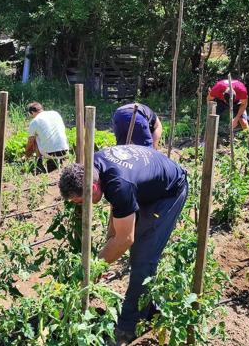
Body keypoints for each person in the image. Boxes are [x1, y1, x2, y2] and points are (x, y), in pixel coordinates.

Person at [58, 145, 188, 345]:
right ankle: (150, 304)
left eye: (79, 201)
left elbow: (125, 239)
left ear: (92, 188)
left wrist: (93, 269)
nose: (80, 205)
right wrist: (106, 251)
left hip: (168, 192)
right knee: (132, 250)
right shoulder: (95, 169)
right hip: (146, 186)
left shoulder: (119, 184)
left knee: (143, 258)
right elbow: (118, 212)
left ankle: (128, 327)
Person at [25, 102, 69, 173]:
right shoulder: (55, 113)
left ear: (32, 112)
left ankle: (38, 164)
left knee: (34, 137)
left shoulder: (35, 121)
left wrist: (27, 155)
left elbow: (30, 142)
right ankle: (58, 161)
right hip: (65, 151)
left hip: (49, 153)